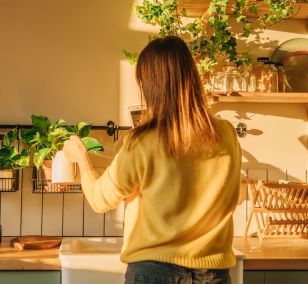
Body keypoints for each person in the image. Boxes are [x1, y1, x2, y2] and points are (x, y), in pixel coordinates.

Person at [62, 36, 241, 284]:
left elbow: (100, 199)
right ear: (191, 77)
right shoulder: (226, 134)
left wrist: (81, 158)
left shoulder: (140, 142)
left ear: (149, 86)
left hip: (154, 273)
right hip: (213, 274)